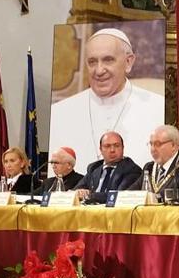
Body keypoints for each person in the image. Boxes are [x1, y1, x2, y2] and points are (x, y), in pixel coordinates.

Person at [48, 28, 164, 173]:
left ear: (128, 62)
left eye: (108, 60)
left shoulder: (157, 107)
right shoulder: (61, 112)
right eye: (92, 62)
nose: (99, 70)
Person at [131, 125, 179, 203]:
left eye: (157, 144)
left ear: (173, 145)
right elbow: (131, 193)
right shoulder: (149, 168)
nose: (153, 149)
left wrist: (158, 197)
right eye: (151, 144)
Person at [75, 132, 142, 204]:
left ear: (123, 148)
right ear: (100, 149)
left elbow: (118, 196)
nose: (112, 150)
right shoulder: (94, 168)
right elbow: (75, 190)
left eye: (116, 146)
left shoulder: (131, 169)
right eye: (107, 146)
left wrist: (89, 195)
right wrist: (78, 192)